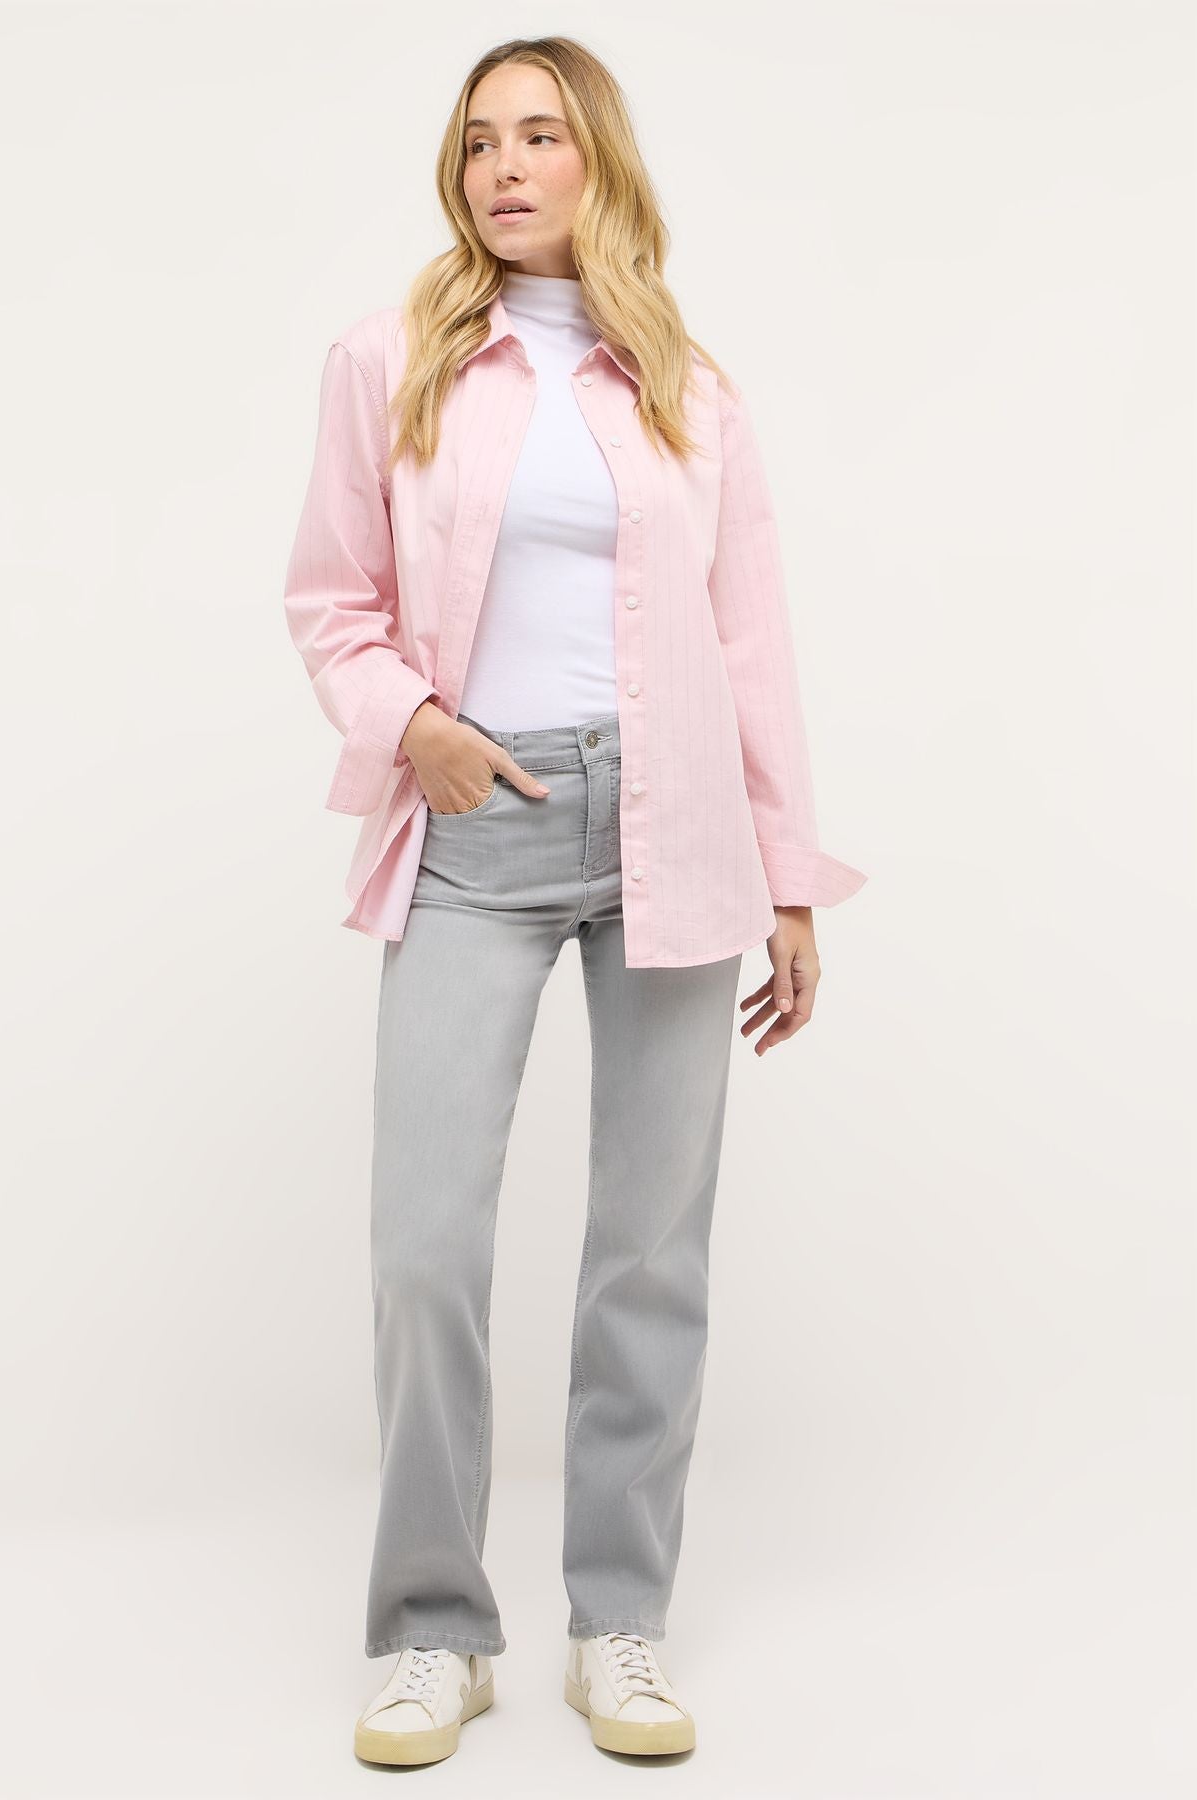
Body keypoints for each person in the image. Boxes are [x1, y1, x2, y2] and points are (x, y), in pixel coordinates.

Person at [283, 34, 867, 1768]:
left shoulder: (688, 385)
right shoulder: (387, 360)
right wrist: (416, 725)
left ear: (597, 160)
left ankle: (618, 1620)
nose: (505, 168)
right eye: (479, 142)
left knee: (647, 1252)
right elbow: (329, 601)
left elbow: (749, 644)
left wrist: (787, 879)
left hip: (671, 824)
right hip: (477, 825)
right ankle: (432, 1633)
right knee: (424, 1246)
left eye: (540, 136)